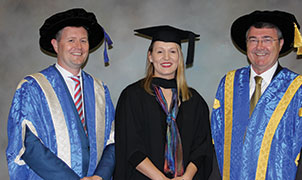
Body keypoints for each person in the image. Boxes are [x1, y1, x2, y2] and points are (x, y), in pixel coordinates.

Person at [6, 8, 115, 180]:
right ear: (56, 45)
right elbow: (28, 144)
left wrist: (100, 176)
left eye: (83, 41)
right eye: (71, 40)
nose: (78, 47)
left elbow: (113, 139)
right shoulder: (33, 87)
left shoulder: (100, 90)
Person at [211, 10, 302, 180]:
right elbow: (217, 141)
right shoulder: (229, 85)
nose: (259, 47)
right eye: (253, 40)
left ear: (281, 43)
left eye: (267, 40)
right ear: (246, 44)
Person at [114, 25, 218, 180]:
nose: (166, 58)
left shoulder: (194, 100)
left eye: (172, 51)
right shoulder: (132, 96)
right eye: (160, 51)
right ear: (150, 56)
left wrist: (187, 177)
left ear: (180, 57)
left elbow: (202, 147)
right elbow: (130, 145)